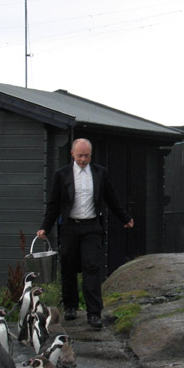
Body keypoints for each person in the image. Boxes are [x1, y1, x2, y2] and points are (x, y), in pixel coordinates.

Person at [37, 138, 133, 330]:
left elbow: (111, 197)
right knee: (68, 267)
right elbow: (54, 204)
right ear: (72, 154)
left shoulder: (100, 173)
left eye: (86, 156)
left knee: (92, 267)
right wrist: (45, 227)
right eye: (80, 155)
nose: (83, 159)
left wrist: (125, 218)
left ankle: (94, 313)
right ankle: (71, 306)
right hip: (70, 226)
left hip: (92, 226)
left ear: (91, 155)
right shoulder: (61, 175)